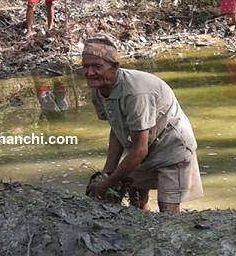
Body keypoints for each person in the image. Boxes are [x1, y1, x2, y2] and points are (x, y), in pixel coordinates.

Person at [81, 35, 202, 214]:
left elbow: (139, 150)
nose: (90, 73)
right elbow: (116, 129)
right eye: (86, 66)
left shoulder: (135, 93)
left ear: (115, 67)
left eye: (97, 66)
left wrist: (107, 184)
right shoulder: (99, 89)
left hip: (172, 146)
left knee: (168, 210)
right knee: (136, 199)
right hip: (144, 144)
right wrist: (108, 171)